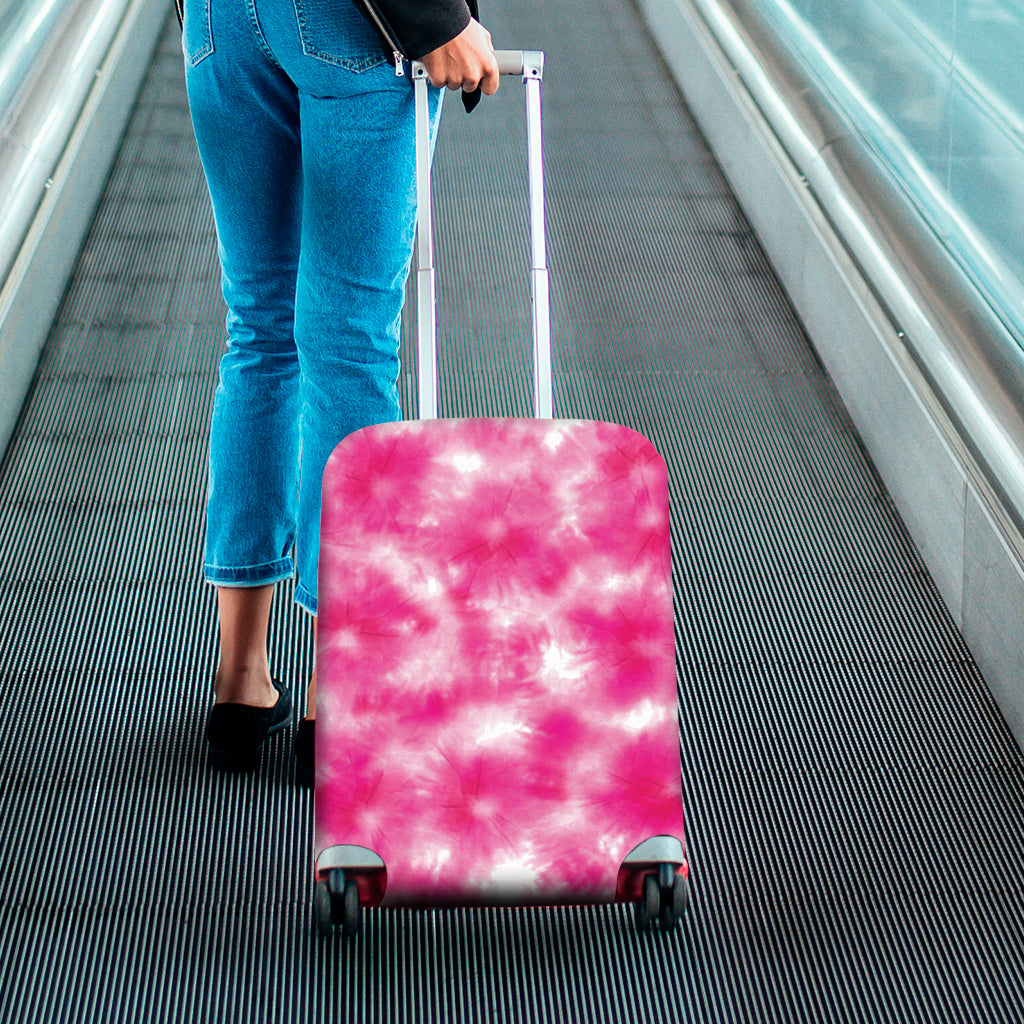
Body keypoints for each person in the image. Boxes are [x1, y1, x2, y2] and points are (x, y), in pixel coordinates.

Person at [182, 0, 499, 781]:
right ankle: (339, 694)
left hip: (221, 24)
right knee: (348, 347)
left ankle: (241, 680)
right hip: (352, 28)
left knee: (258, 332)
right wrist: (433, 18)